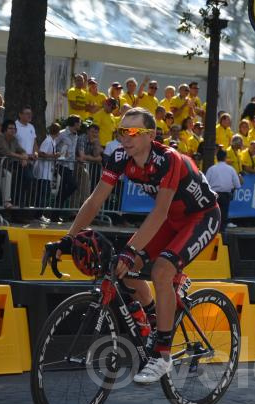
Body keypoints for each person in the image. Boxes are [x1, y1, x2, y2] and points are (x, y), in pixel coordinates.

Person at [52, 107, 221, 384]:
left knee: (162, 271)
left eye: (132, 132)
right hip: (171, 220)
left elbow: (160, 212)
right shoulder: (120, 158)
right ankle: (156, 316)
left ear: (151, 134)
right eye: (121, 131)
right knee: (123, 269)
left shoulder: (168, 159)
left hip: (201, 217)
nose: (125, 138)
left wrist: (132, 251)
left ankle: (163, 355)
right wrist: (68, 238)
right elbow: (95, 201)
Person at [205, 149, 241, 234]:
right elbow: (237, 185)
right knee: (223, 216)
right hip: (225, 195)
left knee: (213, 215)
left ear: (216, 158)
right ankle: (222, 234)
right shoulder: (231, 169)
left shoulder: (211, 169)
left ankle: (211, 232)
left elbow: (205, 184)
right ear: (225, 157)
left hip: (214, 195)